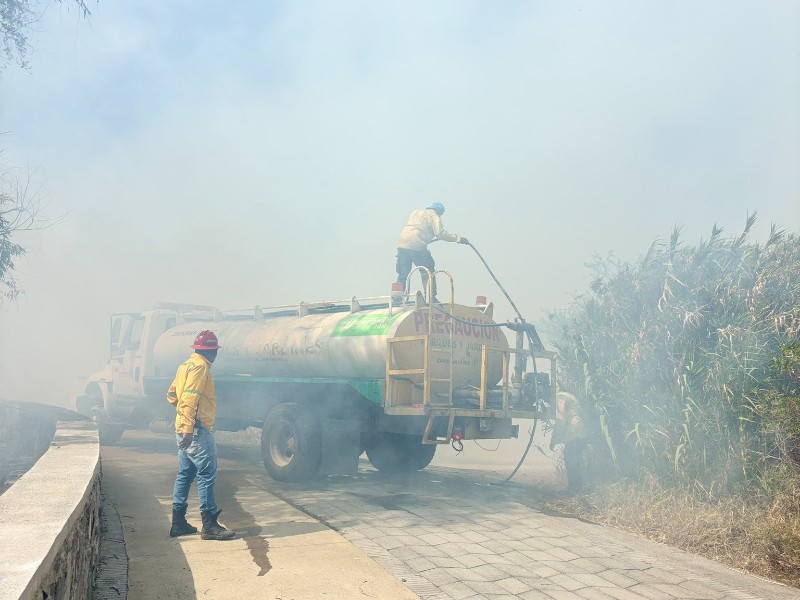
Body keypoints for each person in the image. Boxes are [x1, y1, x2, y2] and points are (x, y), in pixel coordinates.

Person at [168, 330, 235, 540]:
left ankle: (178, 522)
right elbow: (189, 398)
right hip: (197, 431)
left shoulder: (185, 365)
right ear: (212, 351)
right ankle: (209, 524)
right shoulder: (200, 368)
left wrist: (183, 422)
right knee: (206, 475)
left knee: (185, 473)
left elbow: (171, 395)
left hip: (184, 429)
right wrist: (189, 427)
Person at [396, 202, 469, 301]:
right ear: (439, 211)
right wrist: (458, 238)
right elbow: (440, 233)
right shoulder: (434, 215)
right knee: (428, 269)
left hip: (402, 243)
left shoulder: (416, 212)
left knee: (403, 273)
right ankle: (431, 298)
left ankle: (397, 298)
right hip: (417, 244)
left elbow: (417, 227)